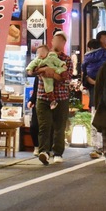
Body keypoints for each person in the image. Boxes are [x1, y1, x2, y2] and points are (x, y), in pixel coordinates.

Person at [28, 31, 73, 165]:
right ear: (52, 41)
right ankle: (44, 152)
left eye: (61, 41)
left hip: (61, 97)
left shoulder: (67, 60)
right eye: (56, 40)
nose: (58, 43)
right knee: (44, 125)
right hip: (42, 96)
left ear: (64, 44)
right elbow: (32, 71)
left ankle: (58, 153)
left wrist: (52, 73)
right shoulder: (43, 56)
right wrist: (43, 70)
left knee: (59, 126)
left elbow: (66, 78)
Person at [26, 45, 67, 109]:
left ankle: (53, 101)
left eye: (42, 52)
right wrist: (30, 69)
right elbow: (32, 65)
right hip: (45, 82)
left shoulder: (51, 57)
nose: (40, 54)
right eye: (38, 53)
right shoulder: (38, 60)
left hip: (56, 71)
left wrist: (62, 65)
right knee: (48, 88)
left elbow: (58, 62)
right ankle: (53, 101)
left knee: (62, 73)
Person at [82, 31, 106, 108]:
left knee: (105, 105)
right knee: (94, 104)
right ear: (99, 40)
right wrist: (87, 78)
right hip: (93, 83)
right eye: (104, 39)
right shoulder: (104, 53)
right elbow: (85, 70)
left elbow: (84, 66)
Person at [26, 75, 40, 155]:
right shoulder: (38, 76)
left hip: (50, 103)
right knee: (34, 126)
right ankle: (36, 146)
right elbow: (35, 91)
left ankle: (47, 149)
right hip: (38, 102)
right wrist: (31, 100)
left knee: (48, 127)